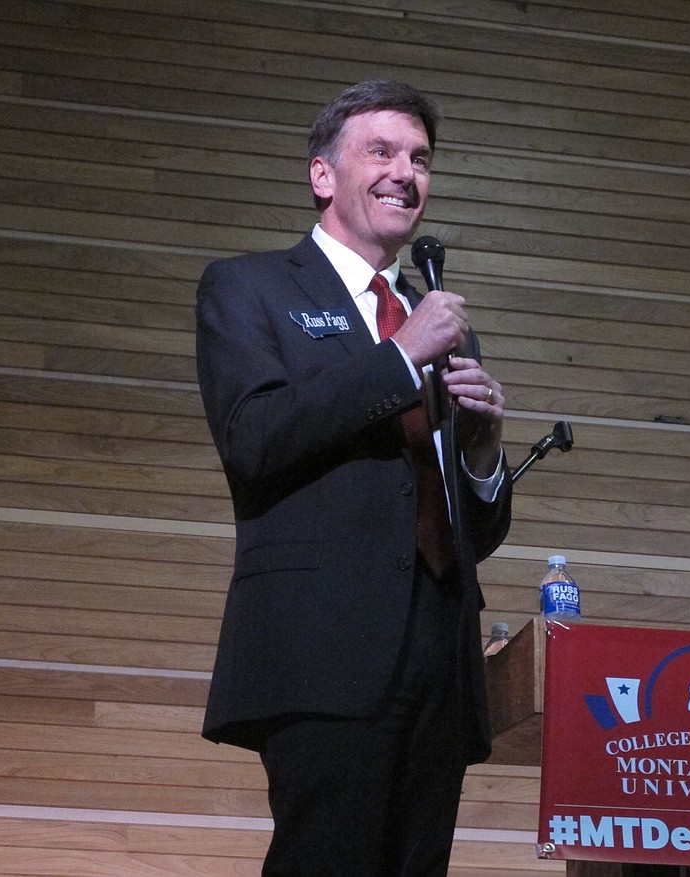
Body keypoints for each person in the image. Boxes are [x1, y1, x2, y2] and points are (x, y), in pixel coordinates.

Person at [195, 79, 513, 876]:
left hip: (440, 650)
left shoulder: (437, 321)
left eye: (421, 158)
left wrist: (482, 450)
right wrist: (403, 358)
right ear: (323, 174)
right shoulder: (251, 288)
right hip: (324, 645)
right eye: (381, 150)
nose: (406, 171)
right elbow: (255, 439)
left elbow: (472, 529)